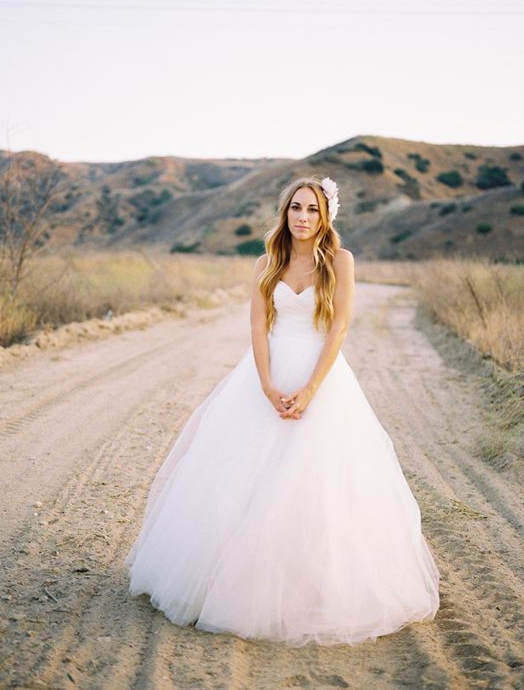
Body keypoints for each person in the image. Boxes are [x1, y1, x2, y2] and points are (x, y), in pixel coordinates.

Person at [125, 176, 440, 648]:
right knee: (237, 480)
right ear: (285, 212)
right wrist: (268, 385)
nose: (303, 217)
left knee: (319, 484)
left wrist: (311, 389)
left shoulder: (340, 261)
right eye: (296, 207)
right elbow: (257, 325)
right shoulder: (266, 261)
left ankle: (314, 588)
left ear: (326, 215)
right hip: (266, 376)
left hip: (322, 376)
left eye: (313, 209)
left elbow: (339, 328)